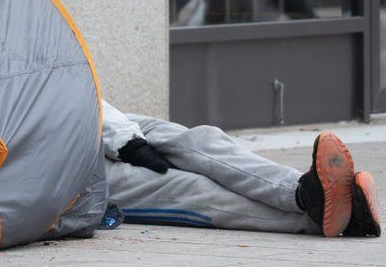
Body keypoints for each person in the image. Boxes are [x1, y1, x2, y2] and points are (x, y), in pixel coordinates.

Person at [102, 101, 380, 238]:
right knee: (191, 189)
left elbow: (76, 92)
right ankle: (323, 216)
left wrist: (123, 139)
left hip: (92, 122)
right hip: (74, 179)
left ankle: (301, 190)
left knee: (200, 141)